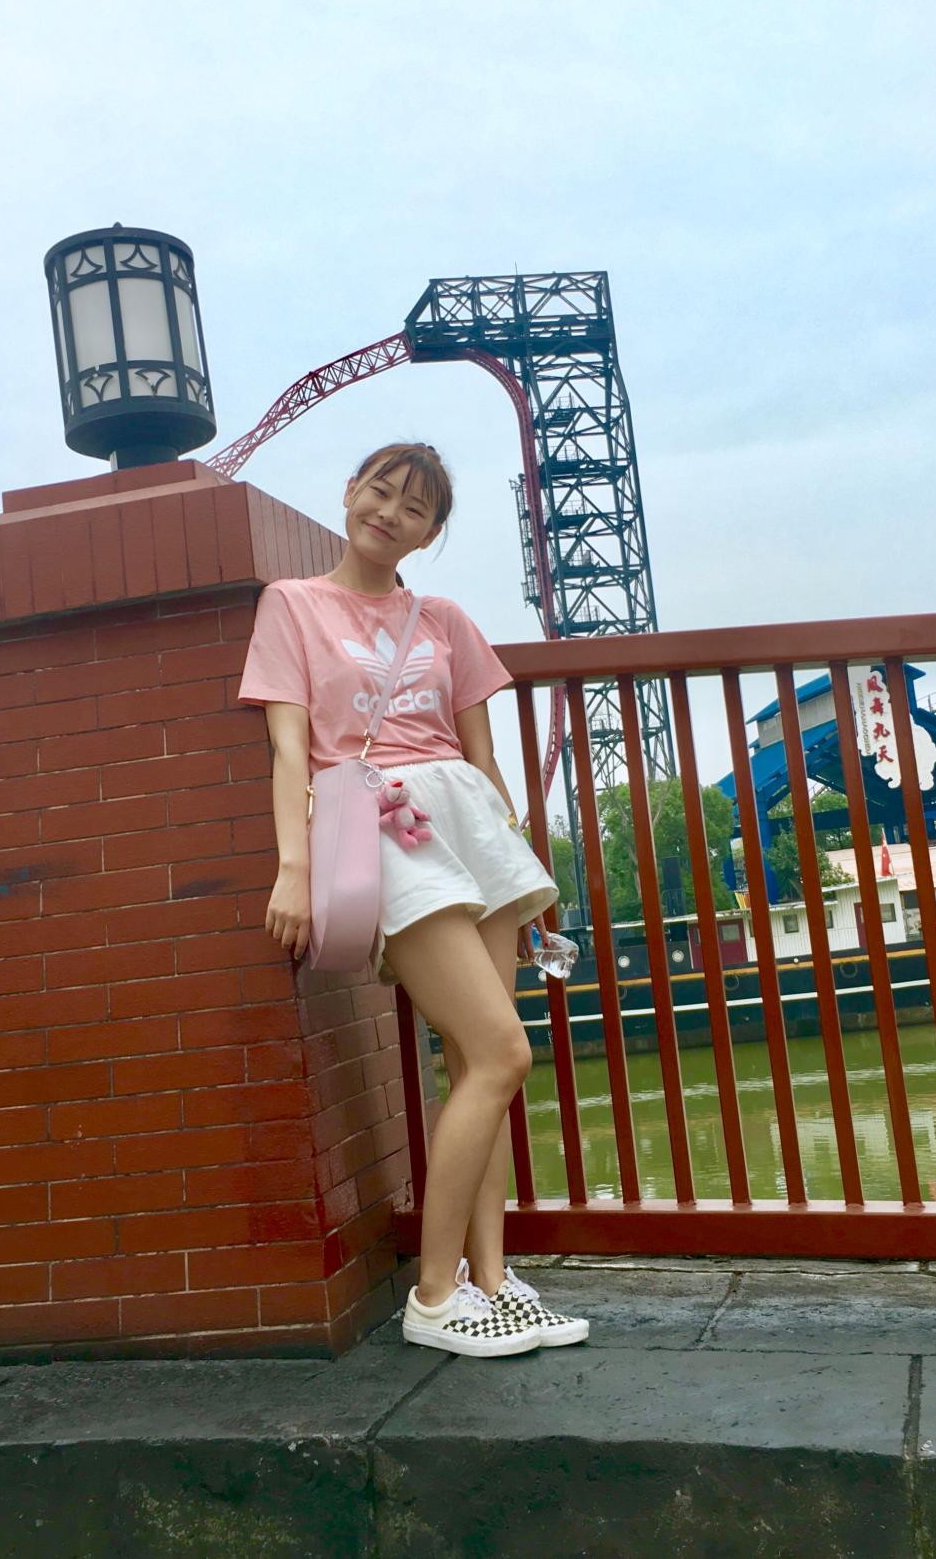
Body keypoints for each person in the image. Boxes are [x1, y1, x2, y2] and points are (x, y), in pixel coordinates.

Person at [236, 440, 589, 1359]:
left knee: (477, 1063)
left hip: (470, 825)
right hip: (383, 823)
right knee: (503, 1053)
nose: (390, 513)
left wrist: (518, 866)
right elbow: (289, 749)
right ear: (350, 490)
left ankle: (493, 1281)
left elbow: (482, 755)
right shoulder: (292, 604)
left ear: (430, 534)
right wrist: (293, 867)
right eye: (381, 491)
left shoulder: (444, 619)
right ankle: (435, 1296)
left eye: (414, 508)